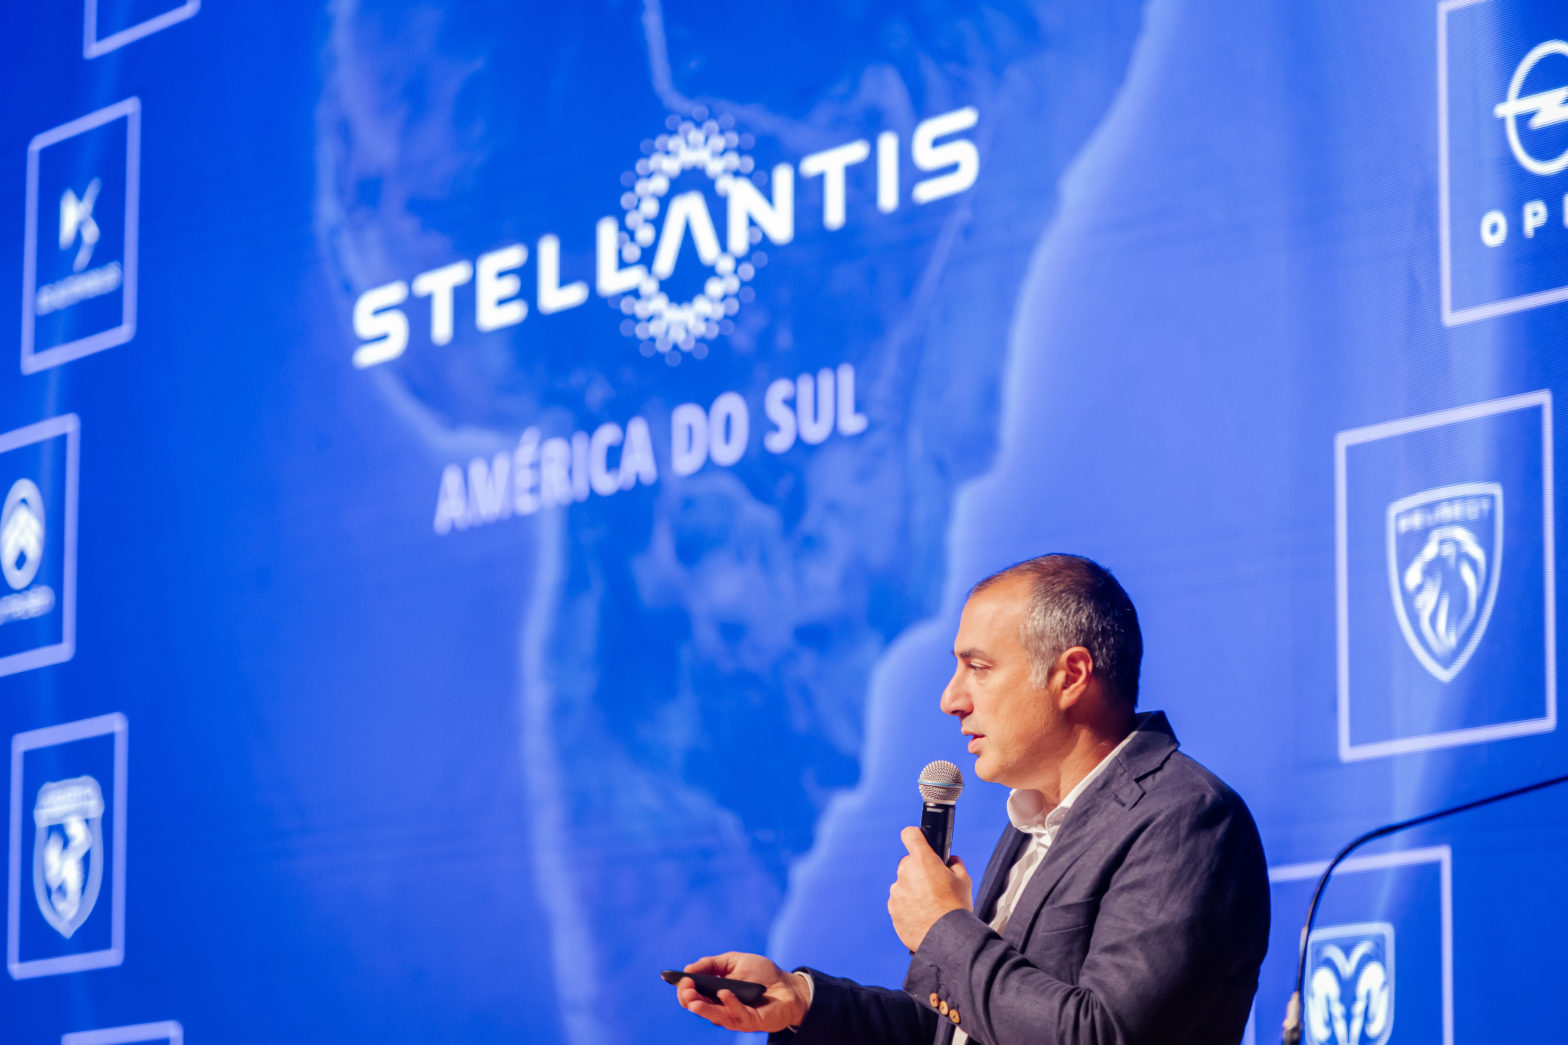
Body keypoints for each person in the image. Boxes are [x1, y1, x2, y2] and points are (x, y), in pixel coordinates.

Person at [675, 554, 1270, 1044]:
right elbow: (957, 1031)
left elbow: (1100, 1034)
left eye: (978, 668)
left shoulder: (1186, 817)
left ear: (1070, 676)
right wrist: (801, 1000)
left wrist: (944, 927)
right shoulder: (1035, 821)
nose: (950, 699)